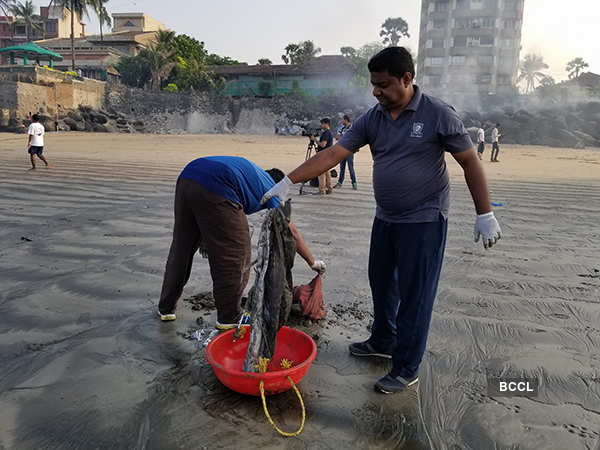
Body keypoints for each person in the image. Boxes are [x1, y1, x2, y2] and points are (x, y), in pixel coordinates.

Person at [261, 47, 502, 394]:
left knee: (415, 296)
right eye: (373, 84)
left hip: (424, 221)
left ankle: (406, 367)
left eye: (384, 85)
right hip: (386, 218)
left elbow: (470, 162)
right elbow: (333, 153)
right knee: (382, 283)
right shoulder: (373, 117)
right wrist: (288, 181)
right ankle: (383, 340)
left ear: (407, 79)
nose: (376, 91)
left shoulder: (437, 114)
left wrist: (485, 212)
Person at [157, 156, 326, 329]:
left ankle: (166, 308)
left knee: (182, 248)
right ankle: (229, 317)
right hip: (219, 184)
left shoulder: (252, 176)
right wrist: (312, 262)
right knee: (236, 255)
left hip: (188, 176)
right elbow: (292, 232)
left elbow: (209, 213)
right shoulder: (272, 188)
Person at [334, 114, 357, 190]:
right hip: (342, 149)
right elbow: (337, 137)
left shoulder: (352, 127)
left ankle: (354, 183)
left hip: (349, 150)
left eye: (342, 119)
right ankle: (340, 183)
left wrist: (342, 137)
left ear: (346, 120)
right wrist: (343, 137)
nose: (341, 121)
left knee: (350, 167)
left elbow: (352, 138)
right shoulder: (342, 128)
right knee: (342, 168)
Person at [311, 118, 333, 194]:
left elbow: (323, 145)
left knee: (321, 173)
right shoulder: (329, 132)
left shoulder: (326, 133)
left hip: (324, 155)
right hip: (327, 155)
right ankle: (329, 188)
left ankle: (322, 190)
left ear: (326, 124)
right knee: (327, 172)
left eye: (322, 124)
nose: (321, 125)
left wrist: (315, 140)